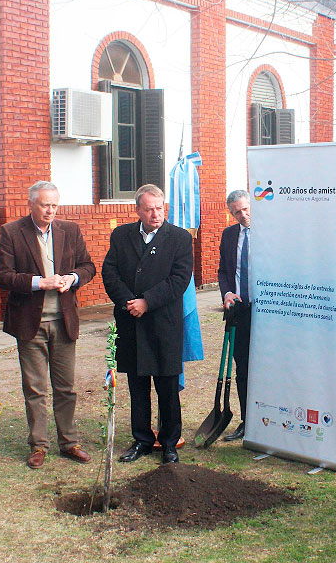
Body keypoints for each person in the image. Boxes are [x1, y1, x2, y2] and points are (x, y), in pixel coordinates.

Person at [0, 181, 96, 469]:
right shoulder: (12, 232)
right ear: (31, 204)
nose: (50, 210)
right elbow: (3, 276)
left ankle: (69, 442)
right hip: (30, 323)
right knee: (36, 388)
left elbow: (88, 266)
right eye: (44, 205)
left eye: (54, 204)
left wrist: (72, 278)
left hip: (64, 321)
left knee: (66, 387)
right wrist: (40, 283)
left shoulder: (70, 230)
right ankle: (38, 445)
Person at [101, 184, 193, 464]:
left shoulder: (179, 238)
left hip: (163, 324)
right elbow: (110, 271)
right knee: (137, 387)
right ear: (138, 210)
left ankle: (169, 443)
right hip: (131, 323)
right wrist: (129, 301)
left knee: (167, 387)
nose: (155, 214)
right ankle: (141, 439)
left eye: (159, 208)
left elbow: (179, 280)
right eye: (149, 208)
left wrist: (147, 302)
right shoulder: (121, 235)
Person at [216, 189, 252, 442]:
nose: (243, 215)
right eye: (237, 212)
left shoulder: (271, 231)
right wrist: (227, 293)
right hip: (240, 311)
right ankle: (247, 421)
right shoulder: (229, 235)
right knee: (243, 368)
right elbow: (223, 271)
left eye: (246, 209)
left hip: (269, 310)